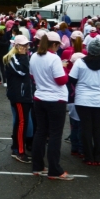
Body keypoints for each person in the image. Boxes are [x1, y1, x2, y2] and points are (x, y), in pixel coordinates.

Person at [29, 31, 73, 180]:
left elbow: (32, 76)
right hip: (56, 99)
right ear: (53, 44)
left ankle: (37, 166)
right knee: (55, 134)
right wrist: (66, 69)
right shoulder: (54, 58)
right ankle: (54, 170)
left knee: (41, 132)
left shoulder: (34, 56)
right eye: (57, 45)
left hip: (40, 97)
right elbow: (61, 80)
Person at [69, 39, 100, 166]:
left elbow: (72, 79)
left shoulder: (79, 63)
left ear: (88, 49)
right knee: (98, 128)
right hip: (99, 100)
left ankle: (88, 157)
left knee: (85, 127)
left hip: (82, 99)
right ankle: (98, 157)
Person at [4, 35, 33, 163]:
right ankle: (20, 151)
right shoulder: (12, 58)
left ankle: (16, 147)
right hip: (19, 95)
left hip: (24, 94)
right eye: (23, 45)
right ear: (16, 46)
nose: (26, 48)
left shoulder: (22, 57)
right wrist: (23, 56)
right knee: (22, 122)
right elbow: (22, 71)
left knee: (20, 122)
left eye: (27, 45)